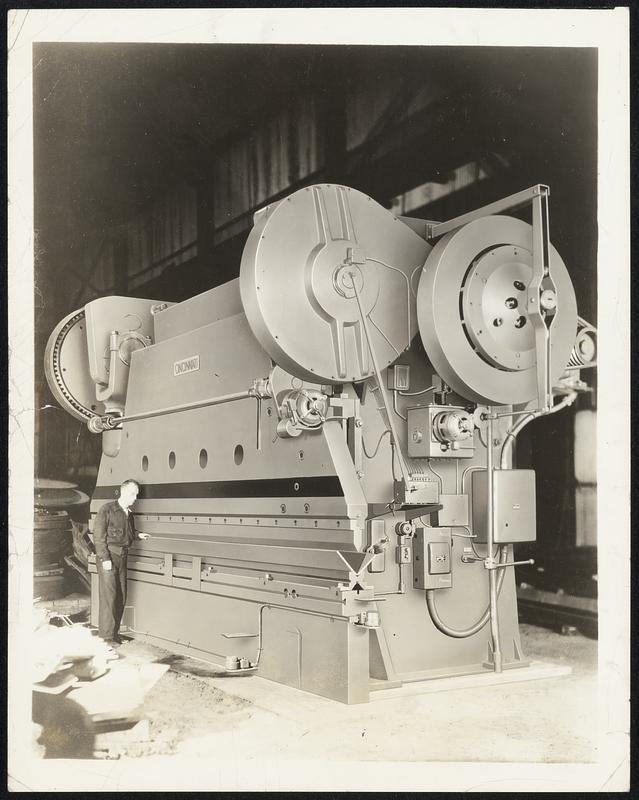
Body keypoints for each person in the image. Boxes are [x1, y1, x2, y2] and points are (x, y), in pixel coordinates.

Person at [93, 478, 150, 647]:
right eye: (133, 494)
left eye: (136, 495)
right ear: (123, 492)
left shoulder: (128, 513)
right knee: (108, 597)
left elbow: (128, 533)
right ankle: (106, 637)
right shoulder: (107, 510)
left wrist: (138, 535)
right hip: (109, 558)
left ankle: (114, 633)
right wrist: (104, 559)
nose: (135, 498)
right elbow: (98, 536)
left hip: (122, 558)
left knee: (121, 596)